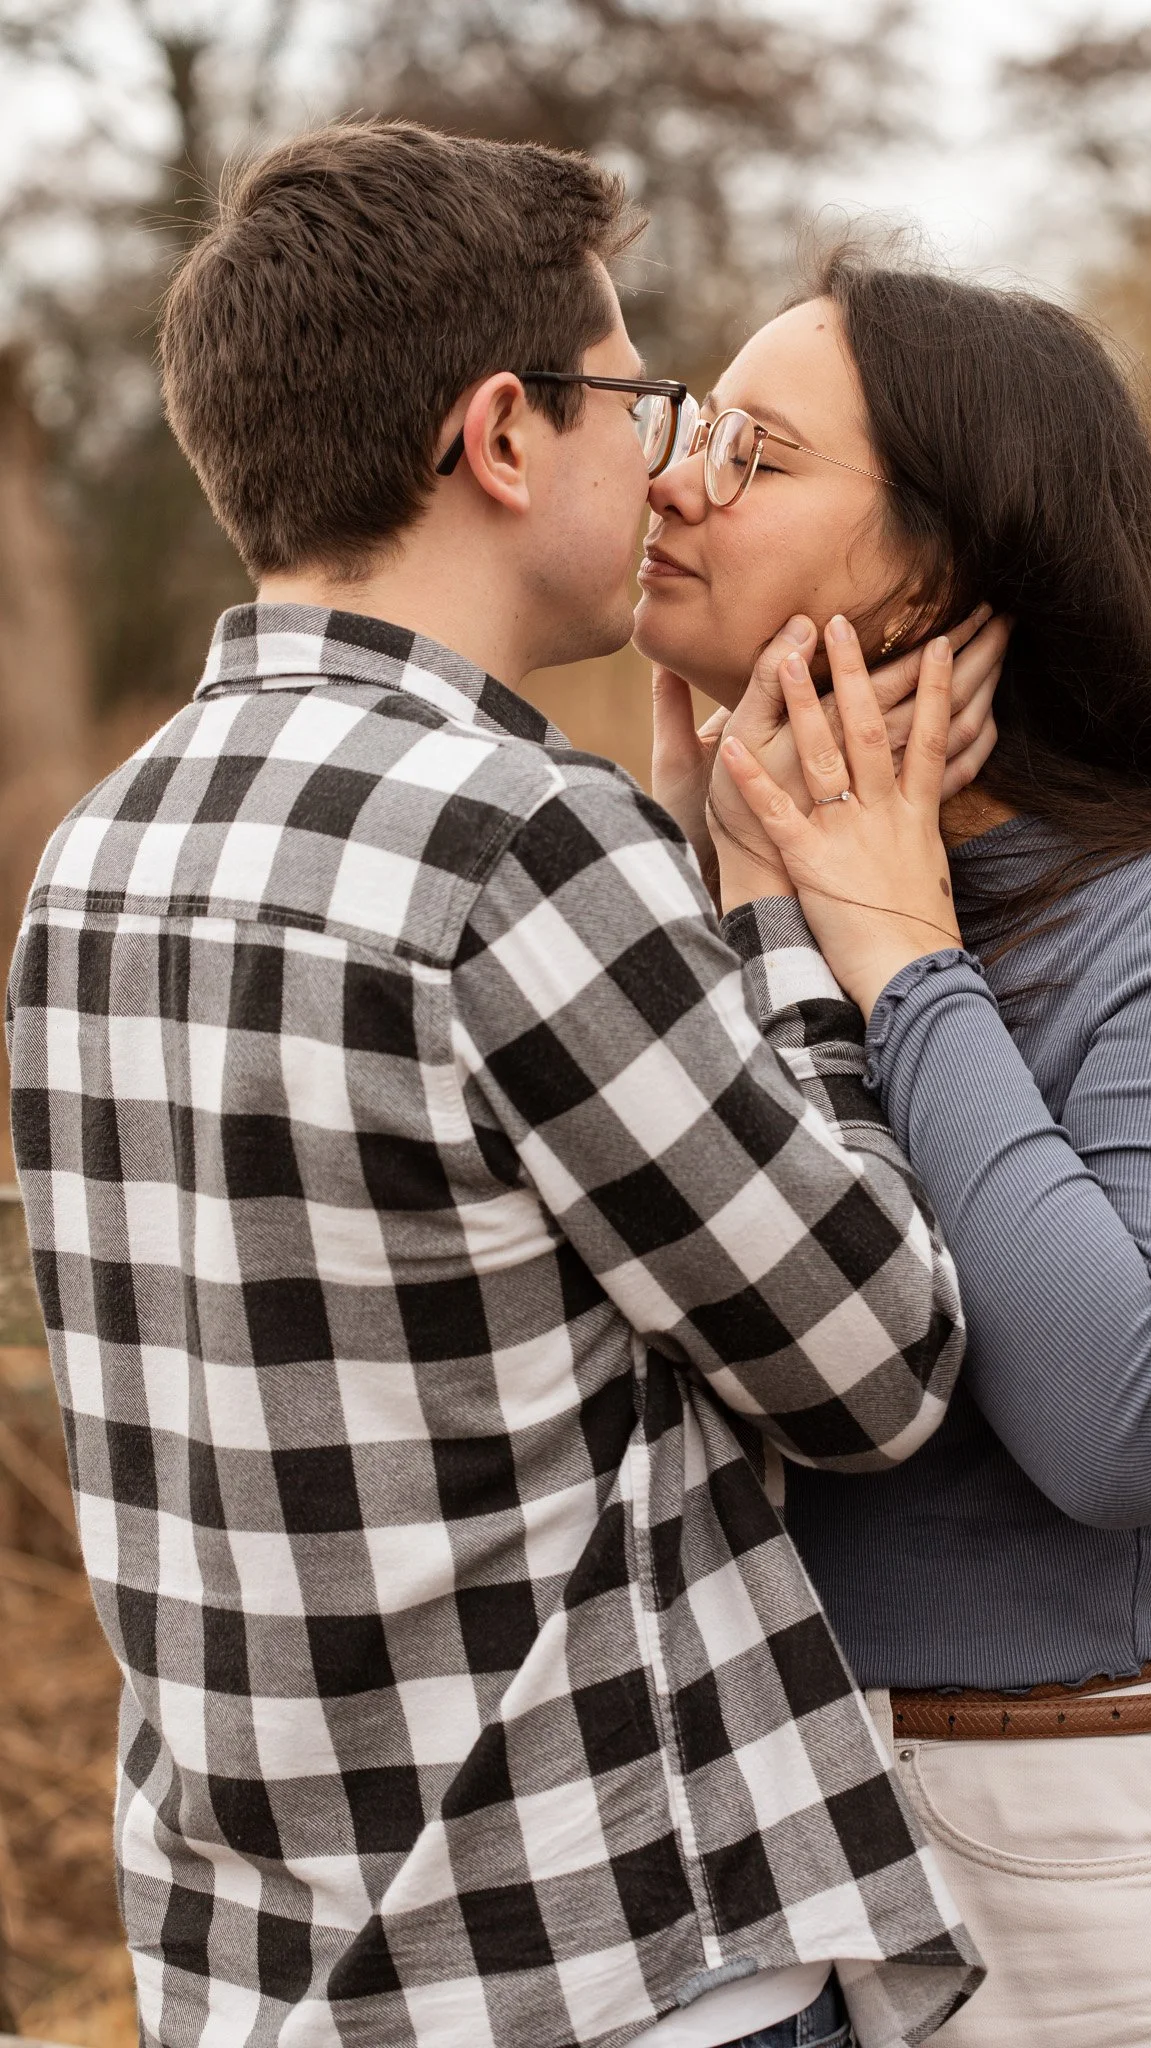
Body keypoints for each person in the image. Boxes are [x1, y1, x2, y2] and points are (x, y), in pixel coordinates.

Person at [4, 126, 1007, 2048]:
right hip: (590, 1971)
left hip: (260, 1979)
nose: (667, 451)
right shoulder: (517, 843)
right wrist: (774, 910)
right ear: (503, 436)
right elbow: (878, 1365)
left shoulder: (96, 855)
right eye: (638, 396)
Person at [639, 248, 1151, 2045]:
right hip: (770, 1892)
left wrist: (898, 951)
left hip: (1099, 1870)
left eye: (757, 452)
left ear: (945, 566)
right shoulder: (689, 923)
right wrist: (754, 916)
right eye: (693, 430)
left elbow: (1134, 1419)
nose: (673, 476)